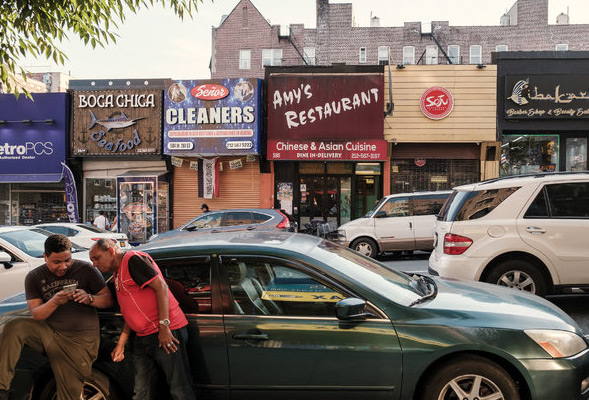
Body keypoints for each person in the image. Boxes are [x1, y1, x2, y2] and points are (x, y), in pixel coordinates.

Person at [0, 234, 113, 400]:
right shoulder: (34, 277)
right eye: (57, 262)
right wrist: (55, 301)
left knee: (69, 396)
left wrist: (90, 298)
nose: (63, 267)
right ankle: (2, 389)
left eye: (67, 260)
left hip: (79, 341)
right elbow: (37, 314)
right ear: (45, 257)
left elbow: (108, 300)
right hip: (49, 334)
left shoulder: (86, 269)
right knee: (14, 327)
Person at [89, 239, 196, 400]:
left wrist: (164, 327)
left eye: (96, 258)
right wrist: (121, 344)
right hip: (142, 338)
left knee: (179, 389)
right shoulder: (116, 273)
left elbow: (162, 287)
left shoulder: (133, 259)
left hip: (165, 334)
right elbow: (130, 312)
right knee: (141, 392)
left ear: (111, 251)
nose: (94, 264)